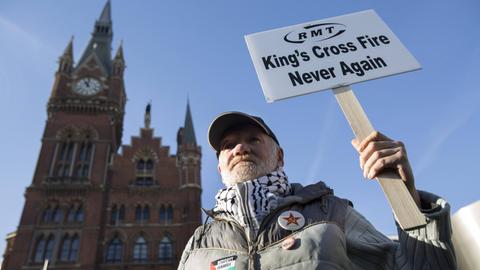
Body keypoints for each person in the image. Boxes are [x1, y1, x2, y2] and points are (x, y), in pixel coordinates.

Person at [178, 111, 456, 270]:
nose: (241, 147)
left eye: (254, 139)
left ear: (280, 157)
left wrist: (406, 196)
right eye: (228, 145)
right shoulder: (199, 242)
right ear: (218, 168)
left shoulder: (330, 213)